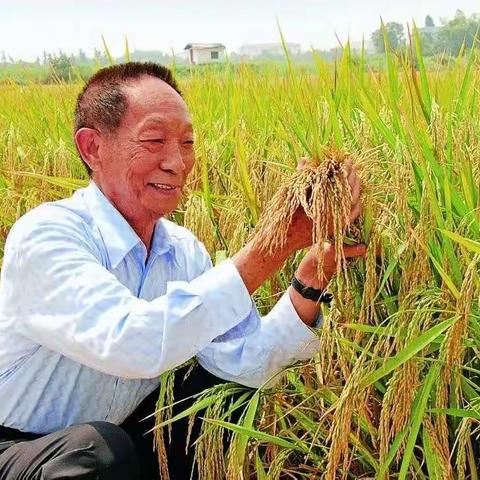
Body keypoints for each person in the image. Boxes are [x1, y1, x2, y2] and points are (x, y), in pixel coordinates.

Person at [0, 62, 364, 479]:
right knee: (97, 453)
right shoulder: (47, 236)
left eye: (187, 143)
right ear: (92, 149)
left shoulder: (184, 251)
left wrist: (311, 279)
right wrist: (273, 245)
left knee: (216, 396)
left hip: (116, 439)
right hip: (19, 449)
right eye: (154, 140)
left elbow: (241, 361)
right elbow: (130, 342)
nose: (176, 162)